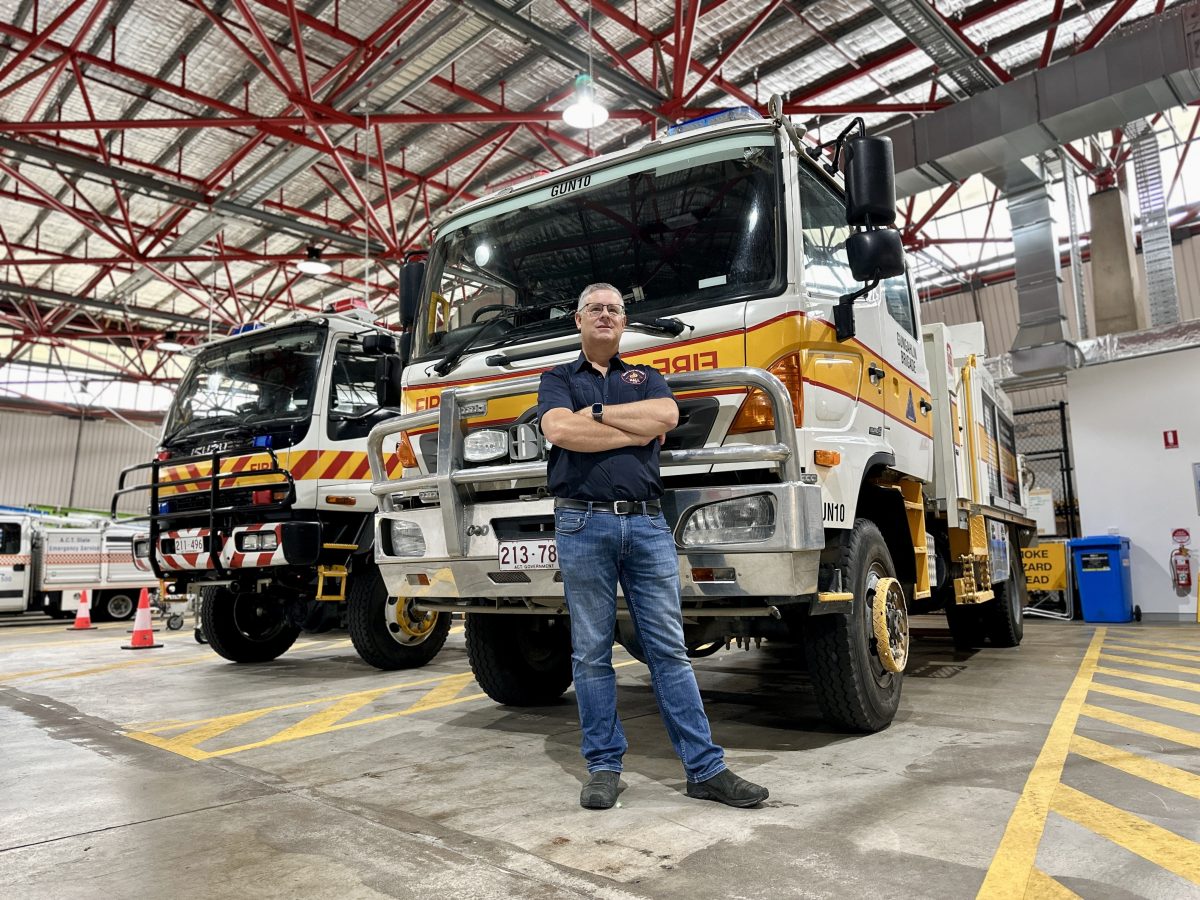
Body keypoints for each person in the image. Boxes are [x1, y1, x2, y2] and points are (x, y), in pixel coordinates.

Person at [537, 282, 770, 811]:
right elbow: (558, 430)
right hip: (582, 523)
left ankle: (705, 769)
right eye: (594, 308)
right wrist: (626, 428)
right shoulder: (556, 378)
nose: (604, 315)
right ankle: (602, 767)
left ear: (624, 322)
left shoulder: (646, 376)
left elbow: (664, 418)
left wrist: (592, 417)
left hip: (647, 525)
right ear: (578, 320)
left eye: (613, 309)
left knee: (669, 650)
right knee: (591, 652)